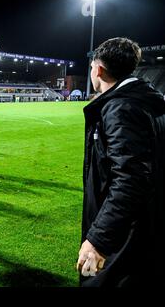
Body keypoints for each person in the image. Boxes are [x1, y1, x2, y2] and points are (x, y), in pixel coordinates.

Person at [76, 37, 165, 287]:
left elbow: (131, 179)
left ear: (99, 69)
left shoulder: (120, 108)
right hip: (143, 228)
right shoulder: (146, 101)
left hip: (124, 237)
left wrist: (98, 240)